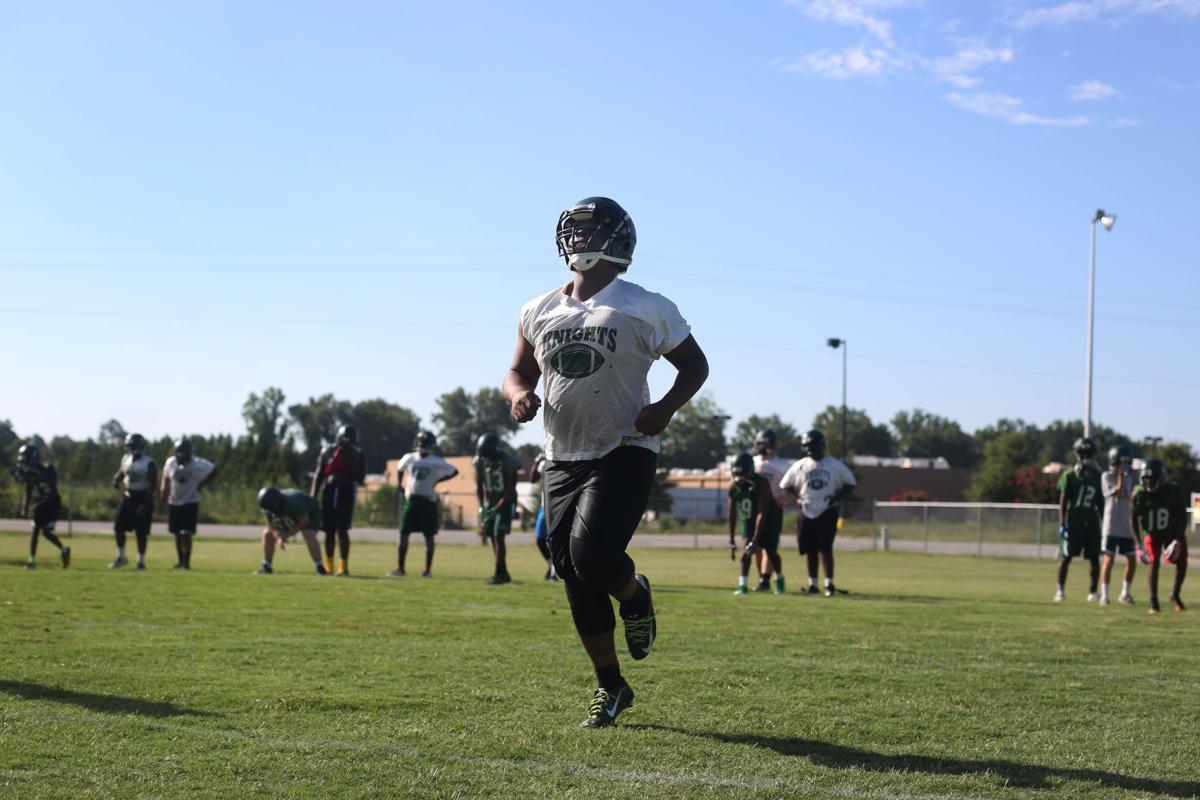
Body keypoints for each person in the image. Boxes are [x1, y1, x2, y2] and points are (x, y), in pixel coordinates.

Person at [503, 196, 708, 728]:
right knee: (572, 571)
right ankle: (612, 686)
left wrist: (664, 408)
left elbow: (694, 364)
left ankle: (636, 596)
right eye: (573, 231)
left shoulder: (645, 304)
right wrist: (518, 395)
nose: (578, 240)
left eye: (591, 231)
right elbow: (516, 372)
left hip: (623, 447)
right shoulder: (537, 308)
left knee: (591, 556)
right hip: (560, 454)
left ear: (618, 240)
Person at [780, 429, 855, 597]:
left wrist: (837, 498)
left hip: (827, 510)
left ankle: (829, 584)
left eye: (813, 445)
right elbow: (785, 484)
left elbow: (850, 482)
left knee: (825, 548)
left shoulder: (834, 465)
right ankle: (813, 584)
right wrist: (797, 498)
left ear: (821, 445)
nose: (810, 449)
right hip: (806, 510)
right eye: (807, 446)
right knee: (810, 549)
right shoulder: (799, 465)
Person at [390, 431, 458, 577]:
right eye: (419, 441)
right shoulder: (409, 458)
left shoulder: (436, 460)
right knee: (403, 533)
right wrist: (399, 484)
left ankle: (427, 570)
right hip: (412, 500)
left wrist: (437, 481)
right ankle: (400, 568)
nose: (420, 444)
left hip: (428, 501)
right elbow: (399, 468)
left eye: (422, 442)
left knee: (429, 535)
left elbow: (454, 471)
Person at [1132, 459, 1188, 614]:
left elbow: (1183, 517)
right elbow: (1132, 520)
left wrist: (1177, 540)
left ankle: (1175, 594)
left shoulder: (1174, 491)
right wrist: (1138, 545)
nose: (1148, 483)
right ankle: (1154, 601)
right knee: (1153, 563)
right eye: (1146, 479)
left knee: (1182, 562)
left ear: (1162, 478)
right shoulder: (1139, 493)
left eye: (1152, 479)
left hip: (1172, 532)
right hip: (1153, 533)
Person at [311, 423, 367, 576]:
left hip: (346, 492)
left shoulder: (357, 454)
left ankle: (343, 566)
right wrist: (313, 496)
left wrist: (348, 460)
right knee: (328, 530)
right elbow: (319, 474)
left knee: (342, 530)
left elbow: (360, 477)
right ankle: (329, 564)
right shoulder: (327, 451)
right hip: (329, 491)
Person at [728, 452, 785, 595]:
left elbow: (762, 512)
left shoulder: (762, 483)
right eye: (736, 474)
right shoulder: (733, 486)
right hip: (748, 519)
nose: (739, 479)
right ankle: (743, 585)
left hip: (769, 519)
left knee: (770, 551)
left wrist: (755, 540)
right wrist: (731, 539)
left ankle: (780, 580)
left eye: (742, 474)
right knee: (746, 552)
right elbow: (732, 513)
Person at [1054, 437, 1103, 603]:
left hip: (1091, 520)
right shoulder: (1069, 475)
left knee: (1094, 557)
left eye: (1088, 452)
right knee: (1066, 556)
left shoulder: (1097, 476)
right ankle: (1060, 590)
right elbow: (1063, 500)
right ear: (1077, 453)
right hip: (1073, 520)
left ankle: (1093, 591)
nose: (1086, 455)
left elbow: (1101, 503)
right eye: (1083, 452)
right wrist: (1062, 523)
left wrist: (1104, 524)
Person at [159, 437, 217, 570]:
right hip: (174, 501)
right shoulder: (171, 462)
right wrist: (164, 490)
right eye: (179, 453)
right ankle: (180, 561)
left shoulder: (197, 463)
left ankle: (186, 562)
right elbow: (166, 477)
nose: (181, 456)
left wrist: (201, 484)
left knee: (186, 533)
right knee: (177, 533)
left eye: (184, 454)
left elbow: (214, 470)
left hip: (190, 501)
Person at [473, 433, 521, 585]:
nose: (487, 459)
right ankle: (503, 572)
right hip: (490, 503)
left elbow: (510, 489)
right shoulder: (479, 461)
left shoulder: (508, 461)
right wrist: (481, 507)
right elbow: (479, 487)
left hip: (506, 502)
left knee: (498, 534)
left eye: (489, 455)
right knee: (492, 537)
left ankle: (499, 573)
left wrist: (498, 507)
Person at [14, 444, 70, 569]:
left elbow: (53, 493)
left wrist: (37, 504)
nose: (23, 462)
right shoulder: (29, 473)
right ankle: (32, 561)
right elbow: (28, 492)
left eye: (25, 458)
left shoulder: (47, 469)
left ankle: (64, 550)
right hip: (39, 501)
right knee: (35, 531)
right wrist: (24, 508)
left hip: (51, 503)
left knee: (46, 532)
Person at [752, 429, 793, 590]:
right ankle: (762, 579)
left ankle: (765, 580)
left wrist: (785, 496)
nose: (763, 446)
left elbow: (791, 484)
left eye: (766, 443)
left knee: (770, 547)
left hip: (773, 509)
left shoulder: (783, 465)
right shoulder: (753, 462)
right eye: (761, 443)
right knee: (755, 545)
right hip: (755, 509)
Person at [255, 487, 328, 575]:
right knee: (267, 534)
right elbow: (269, 521)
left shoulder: (293, 502)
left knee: (308, 534)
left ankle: (320, 566)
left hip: (310, 514)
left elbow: (304, 521)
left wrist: (287, 535)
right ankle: (267, 565)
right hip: (292, 515)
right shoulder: (266, 504)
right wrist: (278, 535)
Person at [110, 433, 157, 570]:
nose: (133, 449)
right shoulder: (126, 459)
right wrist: (116, 480)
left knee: (141, 532)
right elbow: (121, 472)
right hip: (128, 495)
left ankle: (141, 561)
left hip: (142, 497)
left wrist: (146, 504)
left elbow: (152, 485)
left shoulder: (149, 463)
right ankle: (121, 557)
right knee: (118, 527)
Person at [1099, 444, 1137, 605]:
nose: (1126, 466)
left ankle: (1125, 593)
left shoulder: (1129, 478)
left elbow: (1129, 496)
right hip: (1111, 526)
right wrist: (1121, 476)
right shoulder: (1106, 477)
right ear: (1115, 461)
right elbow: (1119, 493)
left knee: (1132, 560)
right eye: (1124, 462)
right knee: (1109, 560)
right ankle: (1104, 595)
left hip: (1126, 527)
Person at [529, 452, 557, 580]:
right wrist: (536, 461)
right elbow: (532, 479)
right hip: (544, 505)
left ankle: (554, 572)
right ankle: (552, 565)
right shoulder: (544, 462)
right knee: (540, 539)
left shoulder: (563, 458)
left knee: (555, 540)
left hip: (558, 505)